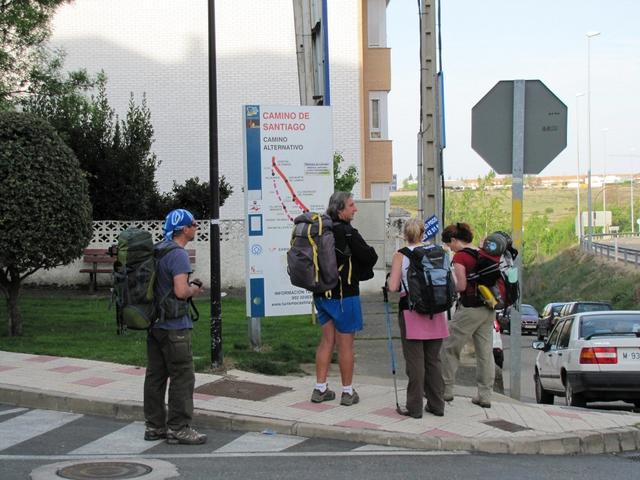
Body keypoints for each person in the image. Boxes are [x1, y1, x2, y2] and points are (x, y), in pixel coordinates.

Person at [143, 208, 207, 445]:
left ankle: (154, 426)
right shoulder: (179, 254)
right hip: (174, 327)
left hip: (155, 324)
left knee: (155, 376)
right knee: (182, 376)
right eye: (193, 223)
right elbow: (181, 291)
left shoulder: (158, 249)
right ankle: (179, 428)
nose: (196, 227)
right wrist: (195, 289)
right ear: (184, 229)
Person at [311, 192, 378, 406]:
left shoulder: (321, 230)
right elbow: (369, 257)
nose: (355, 209)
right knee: (346, 345)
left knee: (326, 341)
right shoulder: (347, 232)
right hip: (344, 296)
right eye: (351, 205)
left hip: (321, 294)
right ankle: (347, 392)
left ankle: (320, 389)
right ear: (340, 209)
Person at [387, 218, 449, 418]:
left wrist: (389, 279)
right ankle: (437, 405)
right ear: (424, 234)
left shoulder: (401, 255)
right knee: (434, 360)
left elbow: (393, 287)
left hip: (412, 312)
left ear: (405, 234)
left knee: (415, 362)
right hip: (437, 311)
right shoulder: (439, 253)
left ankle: (414, 407)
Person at [441, 222, 495, 408]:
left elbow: (462, 286)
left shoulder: (460, 257)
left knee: (450, 347)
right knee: (485, 353)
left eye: (449, 244)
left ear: (455, 240)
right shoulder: (482, 253)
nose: (449, 248)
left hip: (469, 309)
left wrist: (450, 288)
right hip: (488, 307)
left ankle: (446, 389)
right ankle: (485, 395)